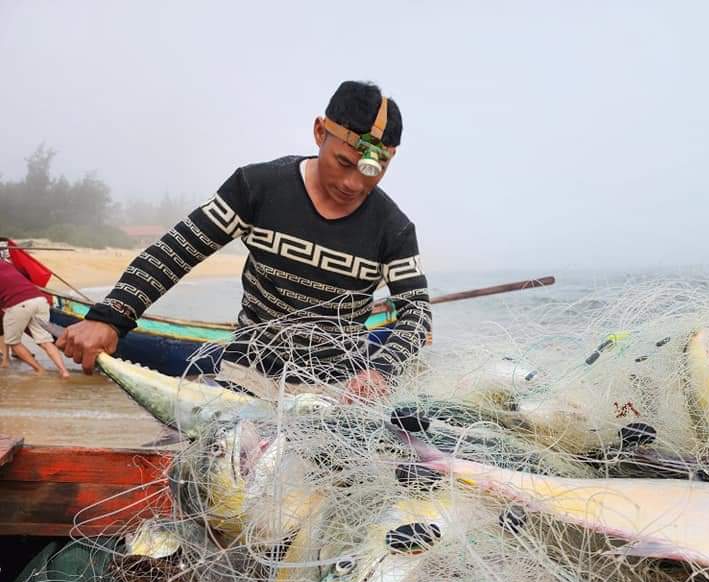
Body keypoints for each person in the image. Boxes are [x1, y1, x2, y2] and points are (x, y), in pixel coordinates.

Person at [57, 81, 431, 401]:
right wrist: (110, 317)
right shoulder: (258, 187)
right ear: (320, 132)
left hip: (335, 392)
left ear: (390, 159)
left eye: (373, 171)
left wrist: (380, 371)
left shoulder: (393, 229)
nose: (353, 184)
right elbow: (175, 252)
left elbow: (416, 314)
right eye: (344, 163)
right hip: (245, 379)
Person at [0, 255, 70, 377]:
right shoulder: (6, 265)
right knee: (45, 340)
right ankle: (64, 371)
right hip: (40, 300)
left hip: (18, 305)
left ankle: (39, 370)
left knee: (13, 342)